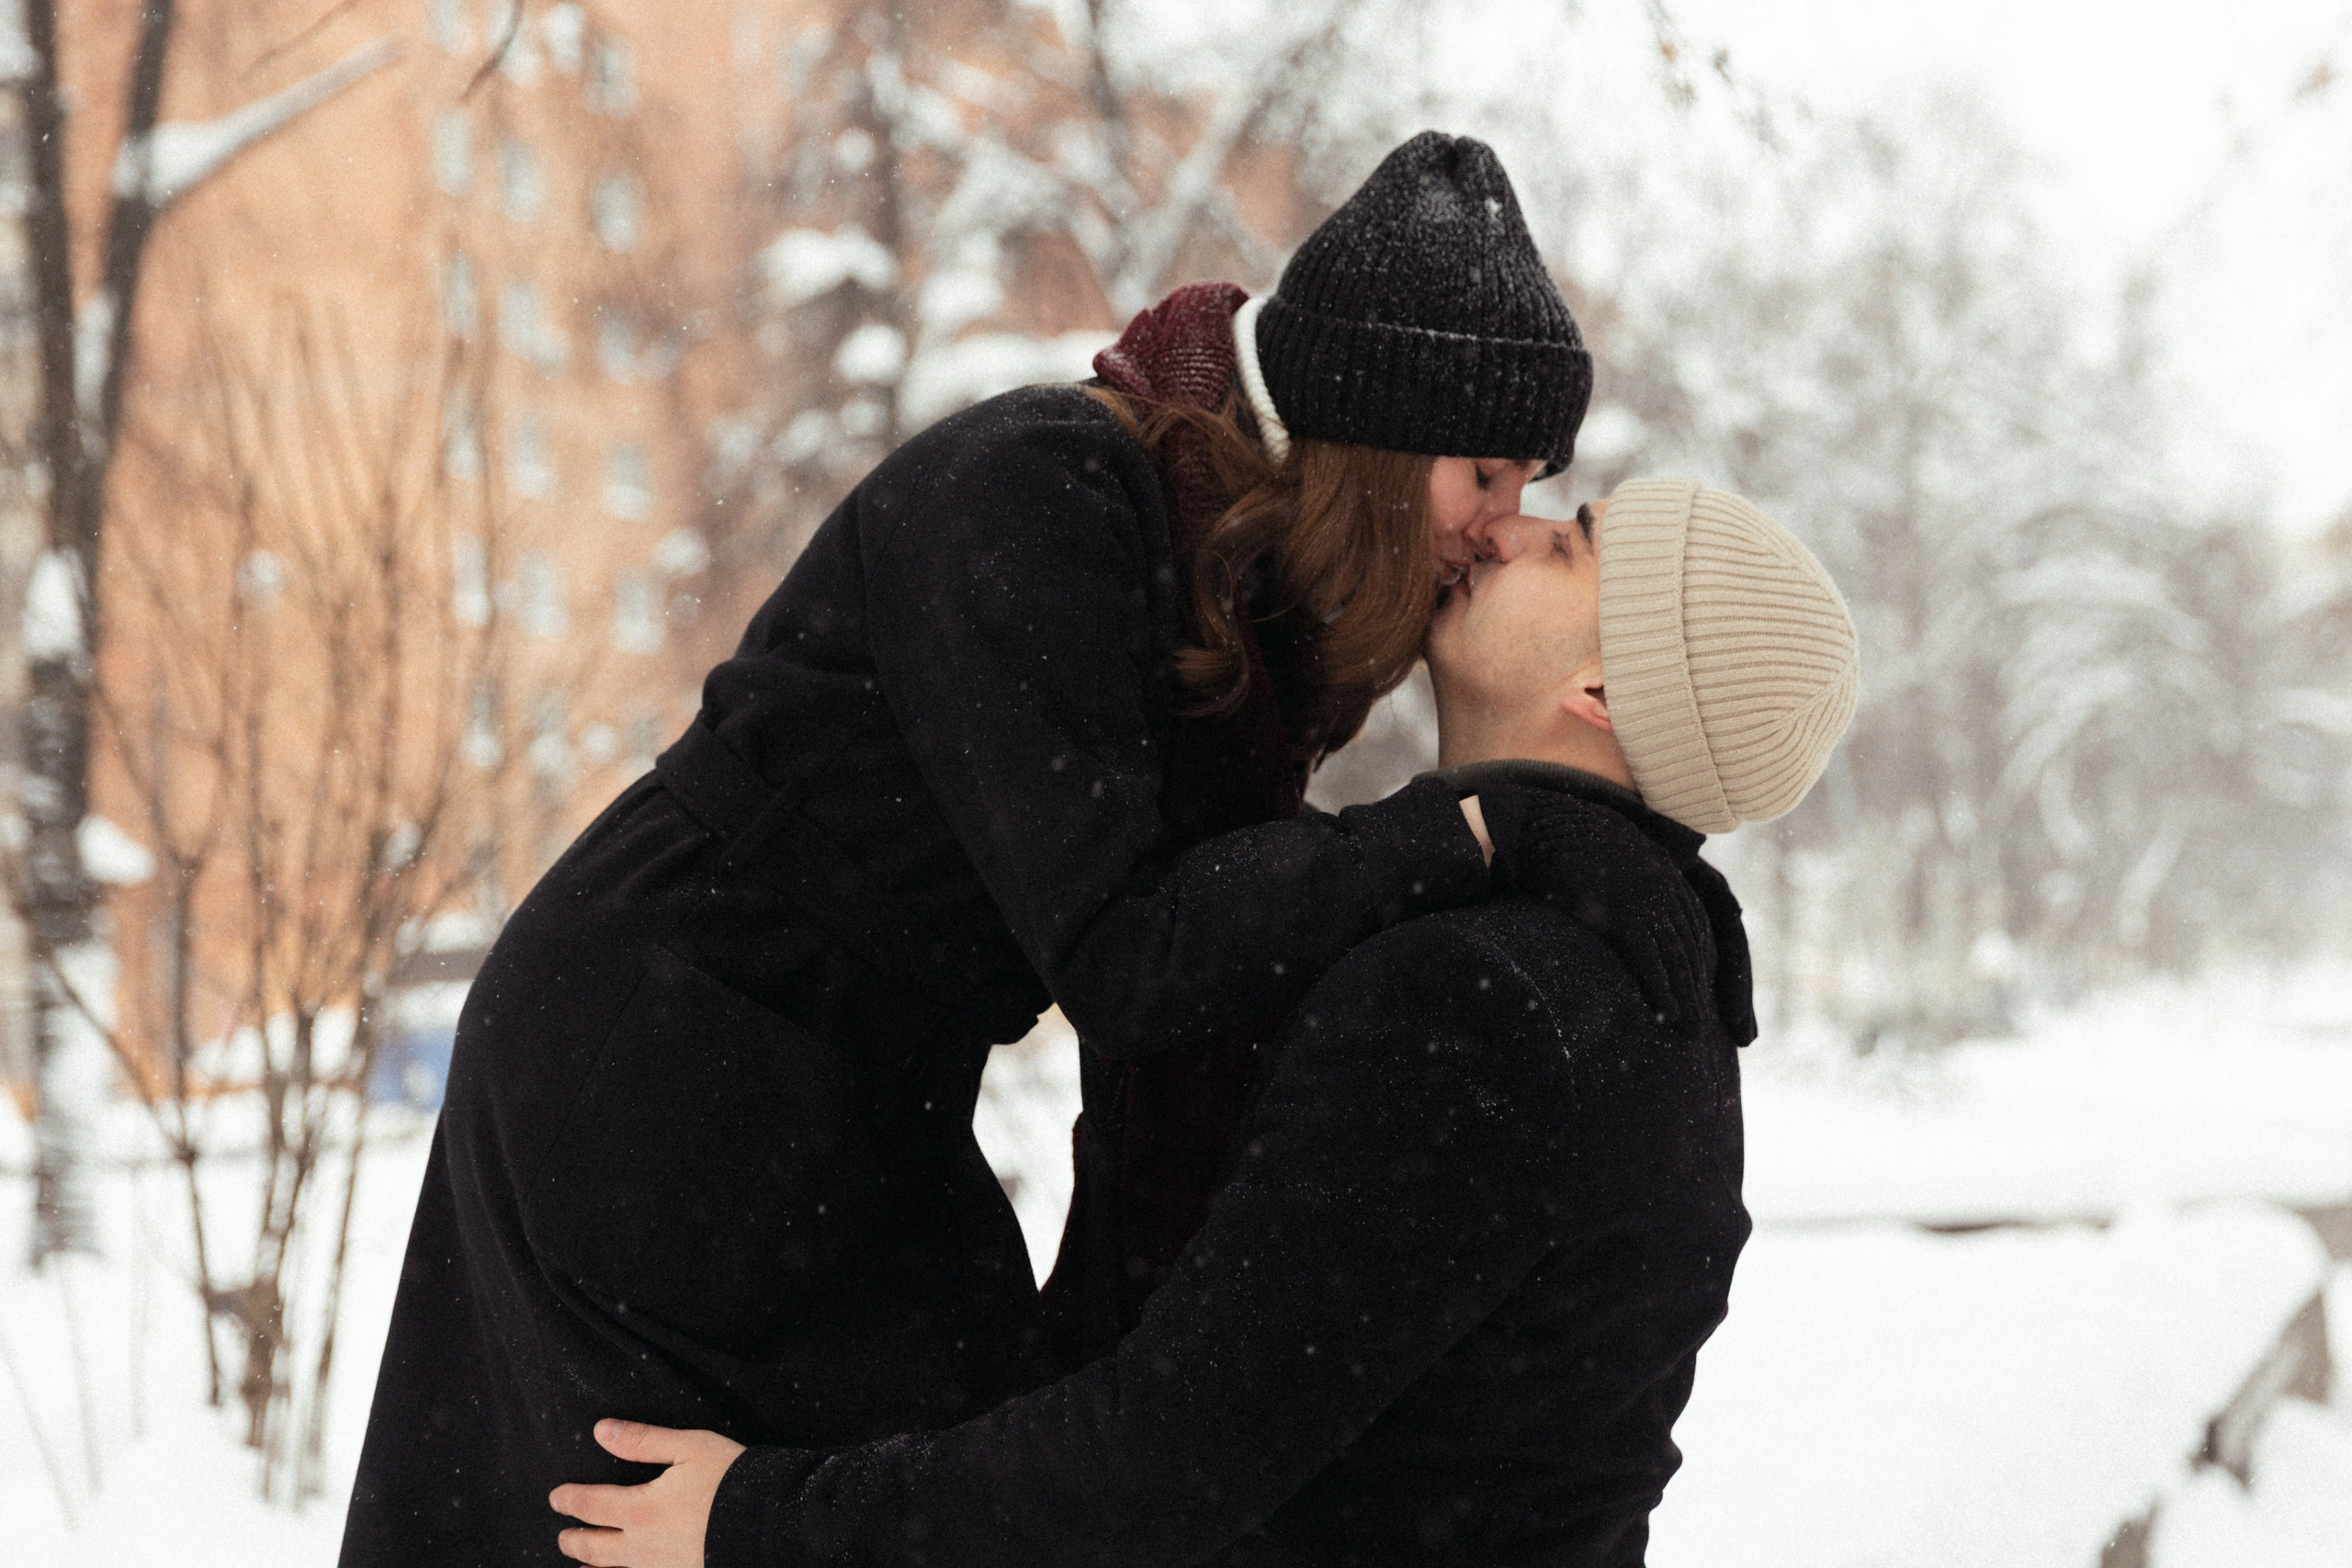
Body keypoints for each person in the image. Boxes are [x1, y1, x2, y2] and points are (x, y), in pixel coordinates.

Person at [341, 131, 1687, 1567]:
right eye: (1484, 473)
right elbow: (1134, 951)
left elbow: (1223, 938)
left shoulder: (1227, 574)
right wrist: (1461, 836)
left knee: (973, 1474)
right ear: (1375, 431)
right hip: (676, 1062)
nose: (1499, 529)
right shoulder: (1046, 494)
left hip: (853, 1078)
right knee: (718, 1518)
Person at [544, 478, 1861, 1568]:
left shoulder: (1487, 1005)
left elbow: (1158, 1463)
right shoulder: (1641, 984)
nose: (1506, 528)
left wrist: (756, 1525)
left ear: (1607, 694)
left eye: (1567, 545)